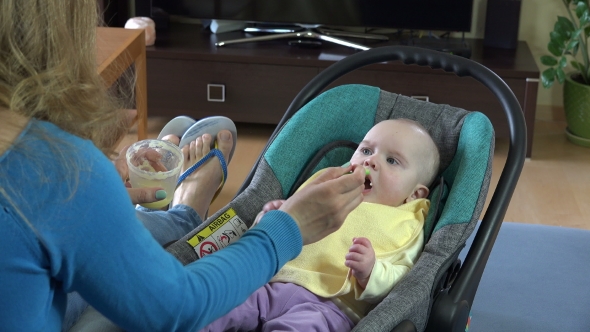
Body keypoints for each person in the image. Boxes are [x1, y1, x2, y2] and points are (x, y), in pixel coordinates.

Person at [0, 1, 367, 331]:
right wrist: (291, 227)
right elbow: (175, 309)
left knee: (97, 236)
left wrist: (92, 198)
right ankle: (186, 215)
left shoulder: (56, 178)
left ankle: (178, 215)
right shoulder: (54, 173)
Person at [201, 118, 441, 332]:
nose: (371, 160)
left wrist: (371, 272)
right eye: (366, 149)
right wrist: (271, 218)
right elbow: (280, 228)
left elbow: (404, 280)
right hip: (272, 281)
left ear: (415, 194)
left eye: (392, 160)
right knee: (218, 306)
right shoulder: (328, 185)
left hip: (330, 308)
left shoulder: (406, 222)